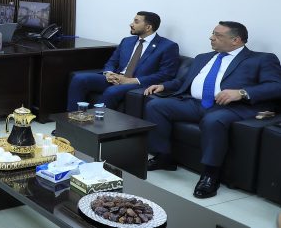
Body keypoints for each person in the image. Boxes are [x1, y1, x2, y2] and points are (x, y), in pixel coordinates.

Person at [144, 21, 281, 199]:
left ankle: (210, 175)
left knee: (213, 120)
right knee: (155, 106)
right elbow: (185, 81)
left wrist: (241, 92)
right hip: (196, 103)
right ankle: (164, 157)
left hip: (232, 108)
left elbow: (276, 86)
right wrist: (164, 86)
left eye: (218, 35)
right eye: (213, 33)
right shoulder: (203, 57)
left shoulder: (261, 59)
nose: (211, 37)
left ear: (236, 40)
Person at [66, 12, 180, 111]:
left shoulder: (168, 46)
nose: (131, 24)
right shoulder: (127, 41)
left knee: (112, 91)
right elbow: (112, 61)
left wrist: (132, 80)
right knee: (79, 79)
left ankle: (94, 124)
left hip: (137, 83)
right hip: (116, 78)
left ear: (148, 27)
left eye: (136, 22)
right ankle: (72, 119)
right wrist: (108, 73)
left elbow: (166, 74)